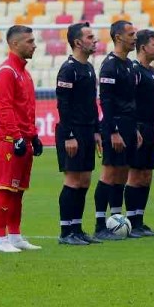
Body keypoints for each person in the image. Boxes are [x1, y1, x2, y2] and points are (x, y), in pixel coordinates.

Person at [0, 25, 44, 253]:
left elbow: (26, 109)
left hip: (24, 138)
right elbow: (5, 109)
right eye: (29, 41)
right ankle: (0, 239)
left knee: (18, 191)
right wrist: (17, 137)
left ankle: (15, 235)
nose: (34, 45)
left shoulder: (24, 72)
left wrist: (33, 135)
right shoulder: (7, 72)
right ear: (15, 44)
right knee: (6, 190)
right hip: (10, 140)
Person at [55, 22, 102, 246]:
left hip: (86, 130)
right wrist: (69, 135)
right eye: (90, 37)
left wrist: (96, 131)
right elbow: (63, 105)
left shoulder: (89, 68)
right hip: (71, 131)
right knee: (73, 180)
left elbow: (92, 104)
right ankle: (66, 232)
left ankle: (77, 227)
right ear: (77, 42)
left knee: (84, 180)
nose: (95, 40)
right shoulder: (68, 69)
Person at [94, 20, 141, 239]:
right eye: (131, 34)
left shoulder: (130, 64)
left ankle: (116, 220)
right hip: (115, 124)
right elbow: (106, 100)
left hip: (130, 124)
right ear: (118, 37)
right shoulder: (110, 65)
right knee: (109, 173)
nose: (135, 38)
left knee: (122, 172)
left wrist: (136, 129)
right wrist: (112, 131)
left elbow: (131, 99)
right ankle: (99, 224)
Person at [125, 28, 154, 237]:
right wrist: (133, 127)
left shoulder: (153, 72)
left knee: (146, 176)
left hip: (151, 126)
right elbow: (129, 101)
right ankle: (131, 221)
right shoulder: (135, 70)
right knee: (135, 175)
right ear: (142, 47)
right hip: (138, 127)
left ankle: (139, 220)